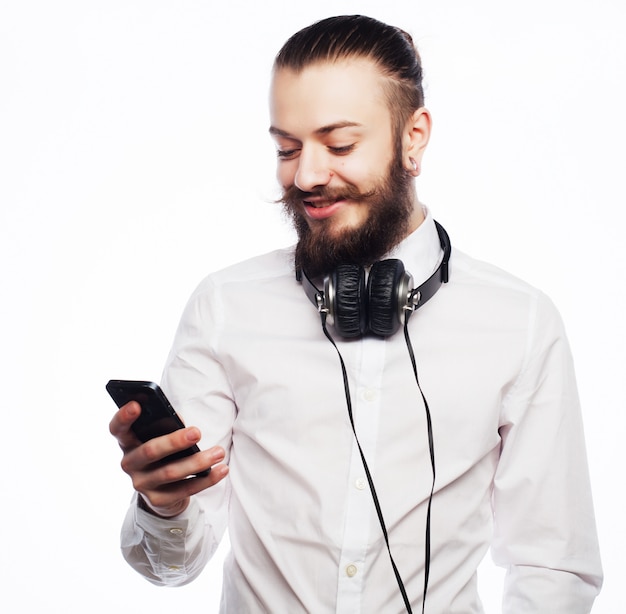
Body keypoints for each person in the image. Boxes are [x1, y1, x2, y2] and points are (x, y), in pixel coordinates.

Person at [109, 15, 603, 613]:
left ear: (413, 137)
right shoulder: (224, 306)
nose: (307, 176)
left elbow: (551, 565)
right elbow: (172, 566)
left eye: (339, 145)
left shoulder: (521, 323)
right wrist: (167, 506)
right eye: (287, 148)